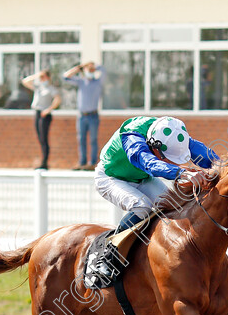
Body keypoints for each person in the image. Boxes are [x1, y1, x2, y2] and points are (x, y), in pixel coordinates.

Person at [92, 116, 218, 280]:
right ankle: (107, 258)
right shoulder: (132, 138)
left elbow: (206, 155)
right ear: (155, 146)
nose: (172, 162)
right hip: (111, 178)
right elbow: (148, 163)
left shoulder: (171, 133)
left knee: (175, 205)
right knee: (142, 206)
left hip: (142, 178)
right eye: (167, 157)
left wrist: (226, 167)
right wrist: (181, 173)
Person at [63, 61, 106, 170]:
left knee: (93, 140)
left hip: (93, 116)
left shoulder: (98, 82)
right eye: (88, 70)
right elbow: (65, 77)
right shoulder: (81, 82)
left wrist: (95, 66)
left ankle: (92, 163)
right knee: (81, 139)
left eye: (92, 70)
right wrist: (79, 68)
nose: (90, 71)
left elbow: (104, 72)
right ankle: (82, 163)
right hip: (82, 116)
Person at [21, 70, 61, 170]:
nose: (42, 79)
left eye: (43, 77)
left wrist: (49, 110)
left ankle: (45, 162)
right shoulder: (38, 87)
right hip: (37, 112)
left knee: (44, 138)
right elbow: (25, 82)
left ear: (48, 77)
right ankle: (43, 160)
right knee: (40, 138)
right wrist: (36, 76)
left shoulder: (51, 88)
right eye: (41, 77)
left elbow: (57, 99)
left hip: (45, 114)